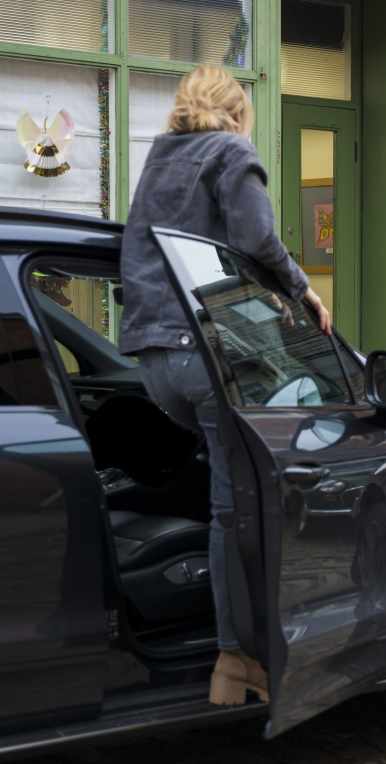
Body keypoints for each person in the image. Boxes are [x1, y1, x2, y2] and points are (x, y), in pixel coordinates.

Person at [118, 64, 330, 704]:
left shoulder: (159, 161)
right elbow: (255, 239)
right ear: (238, 112)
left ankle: (231, 649)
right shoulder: (232, 151)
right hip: (206, 355)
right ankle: (236, 659)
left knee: (227, 490)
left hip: (154, 363)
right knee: (236, 511)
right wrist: (300, 289)